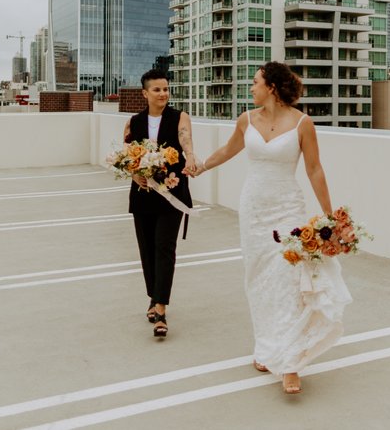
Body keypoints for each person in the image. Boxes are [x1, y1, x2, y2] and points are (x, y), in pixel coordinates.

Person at [193, 61, 351, 394]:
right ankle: (266, 347)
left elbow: (314, 170)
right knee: (258, 280)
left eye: (255, 82)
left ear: (272, 88)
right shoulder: (246, 120)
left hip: (287, 210)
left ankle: (290, 362)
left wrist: (329, 217)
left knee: (288, 281)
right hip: (253, 209)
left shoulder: (303, 124)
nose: (251, 88)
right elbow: (228, 150)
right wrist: (202, 166)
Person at [124, 69, 197, 338]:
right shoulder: (134, 122)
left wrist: (190, 158)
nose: (163, 93)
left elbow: (186, 143)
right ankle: (154, 297)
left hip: (172, 194)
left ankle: (161, 310)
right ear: (145, 93)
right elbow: (127, 158)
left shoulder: (180, 117)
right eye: (157, 89)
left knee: (164, 247)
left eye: (166, 89)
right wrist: (135, 175)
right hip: (142, 195)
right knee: (147, 249)